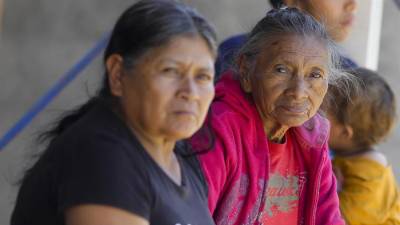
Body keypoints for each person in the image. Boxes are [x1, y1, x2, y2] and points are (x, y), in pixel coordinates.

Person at [11, 0, 218, 225]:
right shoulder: (101, 156)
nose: (190, 92)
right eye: (170, 71)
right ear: (118, 75)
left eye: (202, 76)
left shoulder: (182, 163)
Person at [191, 7, 353, 225]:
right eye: (281, 70)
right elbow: (192, 216)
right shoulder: (218, 129)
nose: (298, 91)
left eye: (315, 75)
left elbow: (329, 219)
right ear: (246, 70)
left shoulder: (313, 138)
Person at [327, 67, 400, 225]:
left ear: (345, 133)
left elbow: (341, 219)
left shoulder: (371, 175)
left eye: (322, 112)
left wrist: (331, 187)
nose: (313, 115)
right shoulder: (350, 155)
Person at [215, 0, 358, 78]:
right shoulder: (236, 53)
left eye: (315, 75)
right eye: (281, 70)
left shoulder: (349, 74)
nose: (352, 4)